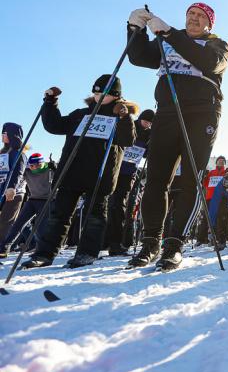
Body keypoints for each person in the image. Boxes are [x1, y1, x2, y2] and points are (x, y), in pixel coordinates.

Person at [125, 3, 228, 271]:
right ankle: (150, 242)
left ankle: (175, 244)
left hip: (201, 113)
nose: (194, 19)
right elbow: (138, 57)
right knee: (156, 178)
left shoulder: (216, 44)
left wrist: (170, 33)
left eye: (200, 16)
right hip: (167, 111)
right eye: (191, 14)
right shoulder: (168, 40)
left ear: (209, 24)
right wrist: (135, 29)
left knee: (190, 178)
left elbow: (209, 63)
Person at [22, 76, 137, 268]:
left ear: (116, 96)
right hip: (72, 171)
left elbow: (127, 140)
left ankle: (86, 253)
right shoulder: (81, 114)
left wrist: (125, 117)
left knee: (95, 217)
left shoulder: (118, 116)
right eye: (96, 92)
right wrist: (50, 102)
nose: (99, 96)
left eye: (105, 93)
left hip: (100, 175)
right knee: (59, 215)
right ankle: (44, 254)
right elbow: (55, 126)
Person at [104, 109, 153, 255]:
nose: (147, 124)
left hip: (129, 173)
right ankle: (104, 241)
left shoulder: (149, 134)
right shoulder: (130, 125)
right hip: (115, 169)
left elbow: (147, 154)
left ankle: (118, 243)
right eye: (146, 121)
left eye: (150, 123)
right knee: (109, 204)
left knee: (122, 206)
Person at [0, 123, 27, 246]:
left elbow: (18, 172)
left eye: (5, 133)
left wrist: (12, 187)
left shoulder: (19, 153)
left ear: (13, 135)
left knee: (5, 222)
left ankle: (2, 248)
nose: (2, 135)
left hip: (13, 193)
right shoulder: (2, 152)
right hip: (2, 190)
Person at [197, 156, 228, 244]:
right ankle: (201, 239)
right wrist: (204, 176)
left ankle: (220, 238)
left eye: (223, 161)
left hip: (221, 198)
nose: (221, 162)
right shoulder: (211, 172)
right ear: (216, 162)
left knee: (220, 218)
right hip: (210, 198)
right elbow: (205, 184)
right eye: (219, 161)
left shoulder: (226, 172)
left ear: (225, 164)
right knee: (206, 217)